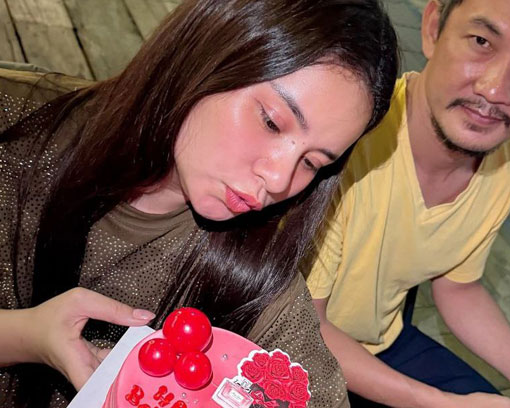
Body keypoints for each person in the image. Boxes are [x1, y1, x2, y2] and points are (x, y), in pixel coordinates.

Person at [0, 0, 399, 407]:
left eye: (312, 162)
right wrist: (24, 335)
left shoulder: (255, 279)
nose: (279, 179)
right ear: (211, 52)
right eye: (271, 122)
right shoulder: (17, 124)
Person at [305, 0, 510, 406]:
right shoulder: (349, 141)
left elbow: (458, 287)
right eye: (481, 41)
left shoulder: (505, 164)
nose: (496, 90)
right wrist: (442, 403)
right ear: (433, 27)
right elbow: (304, 327)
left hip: (382, 342)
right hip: (284, 344)